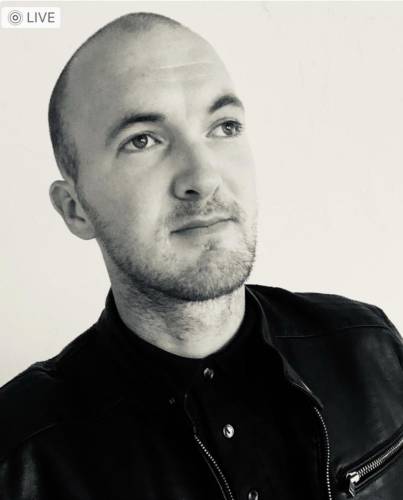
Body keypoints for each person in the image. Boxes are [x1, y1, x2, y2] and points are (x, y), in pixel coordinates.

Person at [0, 12, 402, 500]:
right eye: (142, 140)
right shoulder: (17, 456)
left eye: (224, 126)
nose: (204, 177)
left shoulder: (370, 348)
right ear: (74, 209)